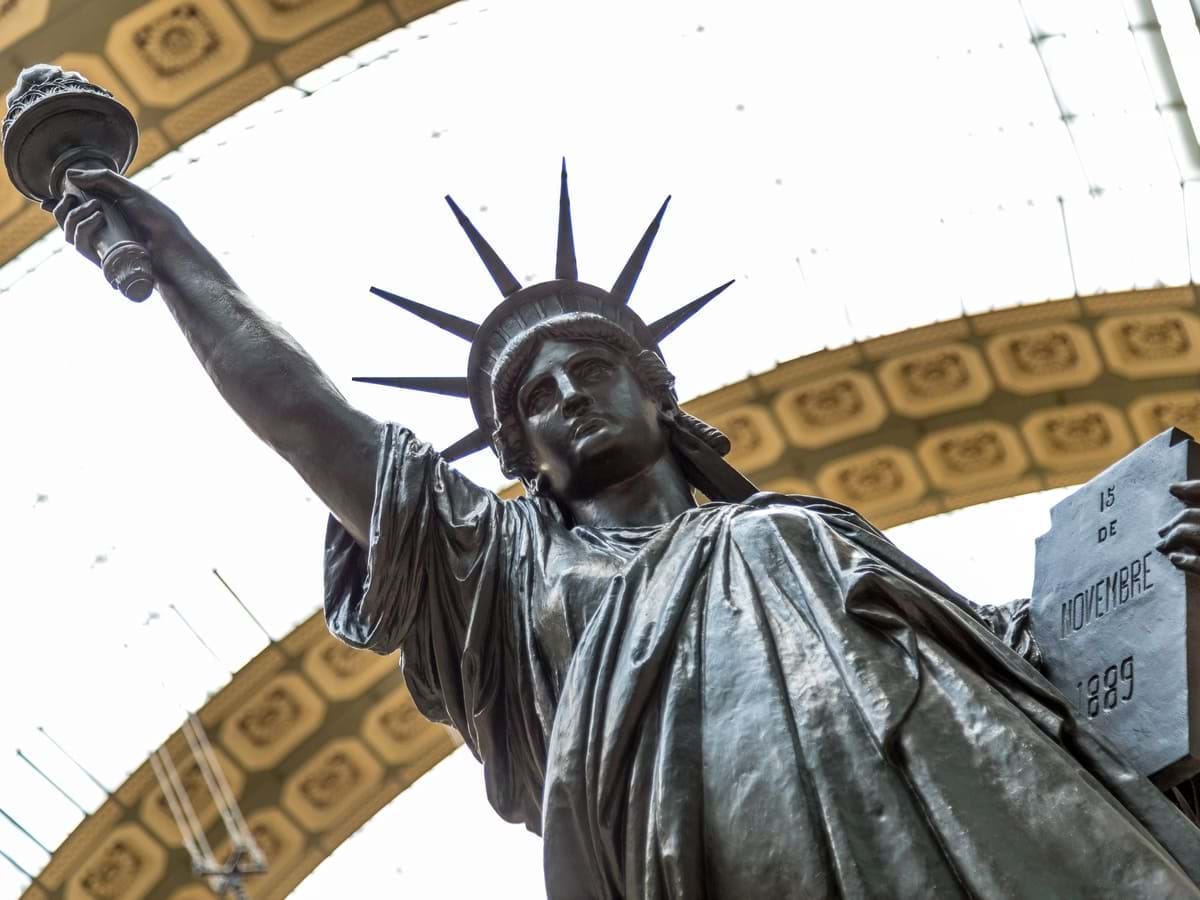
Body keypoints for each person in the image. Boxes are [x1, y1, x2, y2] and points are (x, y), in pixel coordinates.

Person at [44, 162, 1200, 898]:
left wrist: (1158, 574)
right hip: (714, 858)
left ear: (662, 395)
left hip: (966, 835)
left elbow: (1011, 673)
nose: (565, 398)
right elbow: (307, 420)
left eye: (590, 369)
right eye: (531, 400)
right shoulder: (496, 569)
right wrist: (168, 241)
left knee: (767, 542)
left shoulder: (801, 534)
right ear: (514, 457)